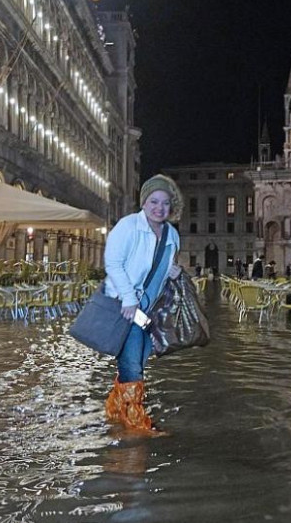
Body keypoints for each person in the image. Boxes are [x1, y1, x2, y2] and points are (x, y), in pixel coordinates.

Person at [103, 174, 182, 433]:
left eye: (165, 203)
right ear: (144, 202)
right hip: (127, 306)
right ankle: (135, 419)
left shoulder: (172, 234)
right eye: (153, 201)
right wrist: (127, 298)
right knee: (132, 361)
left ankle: (116, 408)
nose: (159, 208)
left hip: (151, 309)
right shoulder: (128, 226)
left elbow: (161, 264)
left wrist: (173, 270)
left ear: (172, 206)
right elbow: (113, 263)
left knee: (140, 357)